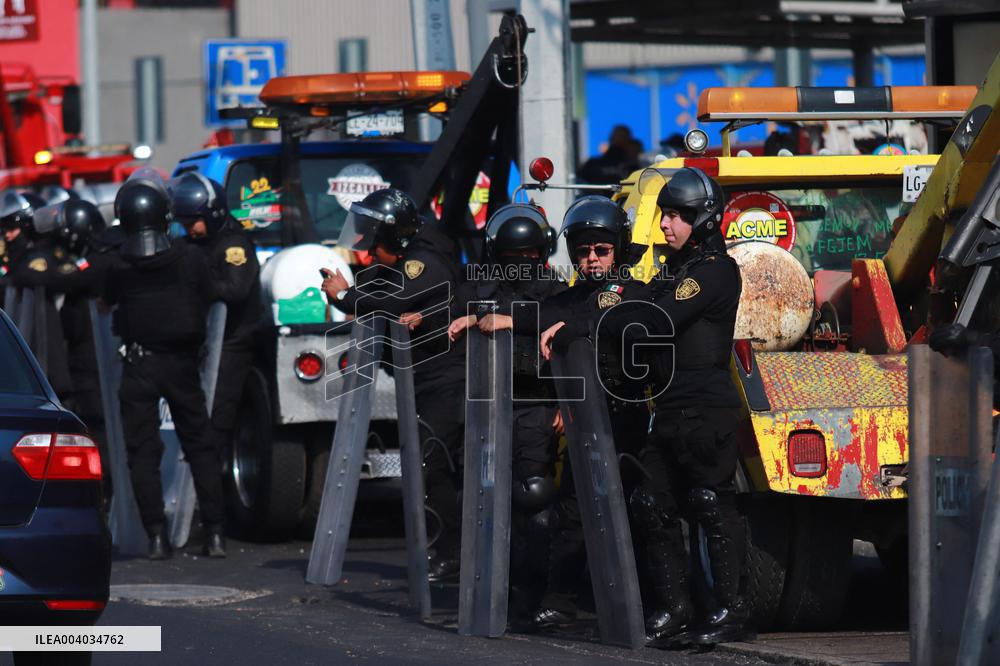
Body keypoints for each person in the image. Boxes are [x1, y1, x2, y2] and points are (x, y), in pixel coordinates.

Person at [541, 167, 751, 646]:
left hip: (704, 406)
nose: (665, 226)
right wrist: (584, 324)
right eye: (665, 216)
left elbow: (651, 320)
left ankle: (731, 610)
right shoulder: (673, 272)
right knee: (651, 503)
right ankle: (674, 609)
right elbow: (626, 307)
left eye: (675, 217)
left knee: (709, 503)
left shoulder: (714, 271)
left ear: (701, 219)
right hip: (671, 408)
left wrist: (585, 326)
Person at [321, 188, 466, 581]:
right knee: (430, 467)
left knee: (433, 466)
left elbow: (393, 300)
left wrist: (346, 296)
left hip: (444, 380)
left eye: (373, 243)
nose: (366, 254)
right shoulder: (406, 260)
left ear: (395, 241)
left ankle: (452, 554)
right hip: (423, 379)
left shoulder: (424, 261)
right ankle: (447, 551)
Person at [529, 195, 651, 631]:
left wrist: (569, 328)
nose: (592, 259)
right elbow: (533, 317)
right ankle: (559, 601)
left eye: (601, 250)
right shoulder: (569, 299)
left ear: (618, 249)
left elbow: (606, 311)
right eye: (583, 251)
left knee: (643, 513)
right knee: (572, 516)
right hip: (585, 427)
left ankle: (649, 605)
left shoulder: (633, 293)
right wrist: (489, 319)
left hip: (629, 423)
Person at [447, 202, 564, 622]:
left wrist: (564, 405)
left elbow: (565, 323)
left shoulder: (553, 290)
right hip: (486, 408)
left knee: (534, 497)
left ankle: (533, 597)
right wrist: (469, 317)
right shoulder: (478, 288)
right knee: (476, 496)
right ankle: (486, 591)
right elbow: (445, 307)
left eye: (529, 257)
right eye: (513, 258)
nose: (522, 265)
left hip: (535, 405)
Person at [105, 170, 227, 560]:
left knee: (142, 452)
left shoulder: (118, 266)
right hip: (182, 364)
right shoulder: (190, 258)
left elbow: (104, 302)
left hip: (139, 365)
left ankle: (155, 535)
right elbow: (213, 296)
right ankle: (215, 534)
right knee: (200, 446)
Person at [170, 172, 263, 461]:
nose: (189, 229)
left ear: (213, 213)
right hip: (203, 342)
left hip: (232, 344)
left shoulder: (233, 245)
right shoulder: (194, 244)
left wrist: (196, 284)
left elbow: (234, 289)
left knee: (216, 416)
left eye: (192, 222)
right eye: (184, 224)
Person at [32, 199, 116, 506]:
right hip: (83, 359)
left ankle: (108, 490)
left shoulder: (97, 261)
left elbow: (62, 278)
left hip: (95, 362)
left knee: (100, 425)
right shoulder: (87, 259)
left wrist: (32, 268)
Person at [0, 190, 75, 398]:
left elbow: (32, 276)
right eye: (4, 229)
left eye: (12, 228)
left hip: (47, 355)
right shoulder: (14, 262)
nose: (7, 235)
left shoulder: (37, 258)